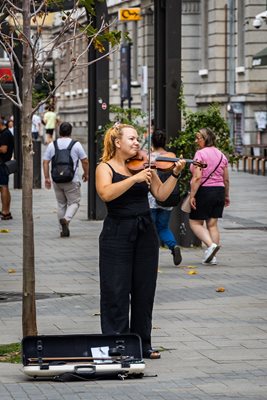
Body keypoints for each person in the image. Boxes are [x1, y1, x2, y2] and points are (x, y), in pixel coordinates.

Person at [95, 123, 186, 359]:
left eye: (137, 139)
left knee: (145, 289)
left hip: (145, 230)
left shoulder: (145, 166)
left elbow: (162, 195)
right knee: (116, 289)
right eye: (132, 139)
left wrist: (175, 174)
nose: (137, 143)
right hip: (117, 232)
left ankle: (142, 342)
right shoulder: (104, 168)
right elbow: (106, 193)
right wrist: (133, 180)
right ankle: (117, 343)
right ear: (117, 142)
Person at [188, 127, 230, 265]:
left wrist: (192, 195)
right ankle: (212, 257)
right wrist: (226, 195)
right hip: (219, 191)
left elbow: (197, 177)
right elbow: (226, 179)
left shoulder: (200, 154)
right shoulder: (221, 155)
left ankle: (210, 245)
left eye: (198, 138)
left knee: (194, 222)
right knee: (212, 224)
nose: (196, 141)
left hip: (204, 191)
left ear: (205, 139)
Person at [43, 122, 89, 237]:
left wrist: (47, 178)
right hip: (71, 180)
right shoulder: (76, 145)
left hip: (57, 180)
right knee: (74, 202)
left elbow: (45, 162)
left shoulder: (52, 145)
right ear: (70, 131)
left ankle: (61, 230)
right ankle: (66, 220)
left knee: (61, 204)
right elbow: (85, 161)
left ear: (59, 132)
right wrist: (86, 174)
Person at [148, 129, 182, 266]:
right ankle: (173, 246)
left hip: (151, 199)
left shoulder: (150, 157)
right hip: (167, 197)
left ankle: (151, 255)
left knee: (150, 229)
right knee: (163, 227)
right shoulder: (171, 156)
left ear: (152, 141)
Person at [0, 117, 14, 220]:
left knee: (3, 186)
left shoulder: (5, 134)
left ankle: (5, 211)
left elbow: (4, 149)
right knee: (4, 187)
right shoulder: (5, 133)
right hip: (3, 164)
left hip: (2, 164)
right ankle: (6, 211)